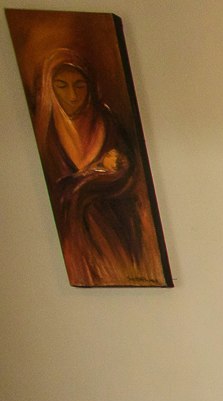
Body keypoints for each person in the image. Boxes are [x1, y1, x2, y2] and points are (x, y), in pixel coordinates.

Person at [32, 47, 166, 286]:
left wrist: (117, 169)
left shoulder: (109, 124)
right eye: (62, 86)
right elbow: (53, 191)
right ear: (49, 89)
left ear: (90, 87)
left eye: (79, 86)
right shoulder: (46, 137)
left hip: (116, 229)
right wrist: (93, 174)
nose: (72, 95)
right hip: (78, 242)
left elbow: (135, 176)